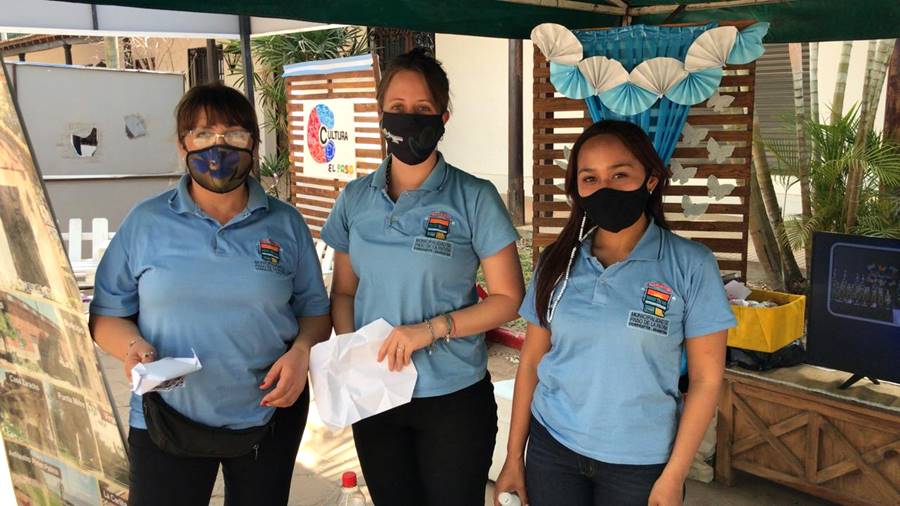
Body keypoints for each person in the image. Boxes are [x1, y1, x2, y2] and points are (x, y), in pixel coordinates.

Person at [89, 83, 331, 506]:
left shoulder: (285, 224)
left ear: (253, 145)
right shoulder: (146, 222)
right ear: (182, 145)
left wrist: (302, 351)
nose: (218, 147)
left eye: (233, 133)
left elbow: (315, 312)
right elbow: (106, 315)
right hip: (165, 416)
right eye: (202, 134)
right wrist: (132, 347)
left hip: (268, 412)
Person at [321, 48, 525, 506]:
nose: (408, 118)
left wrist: (430, 330)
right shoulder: (355, 198)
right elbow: (345, 292)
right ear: (381, 114)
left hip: (453, 397)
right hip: (377, 396)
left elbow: (508, 298)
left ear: (443, 117)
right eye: (397, 107)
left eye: (422, 109)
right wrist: (357, 355)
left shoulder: (474, 197)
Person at [494, 120, 736, 506]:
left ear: (651, 179)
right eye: (590, 178)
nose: (604, 187)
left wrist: (674, 475)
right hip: (552, 448)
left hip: (640, 463)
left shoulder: (691, 265)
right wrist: (513, 457)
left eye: (620, 174)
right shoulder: (557, 261)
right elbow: (532, 362)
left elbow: (707, 380)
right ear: (577, 189)